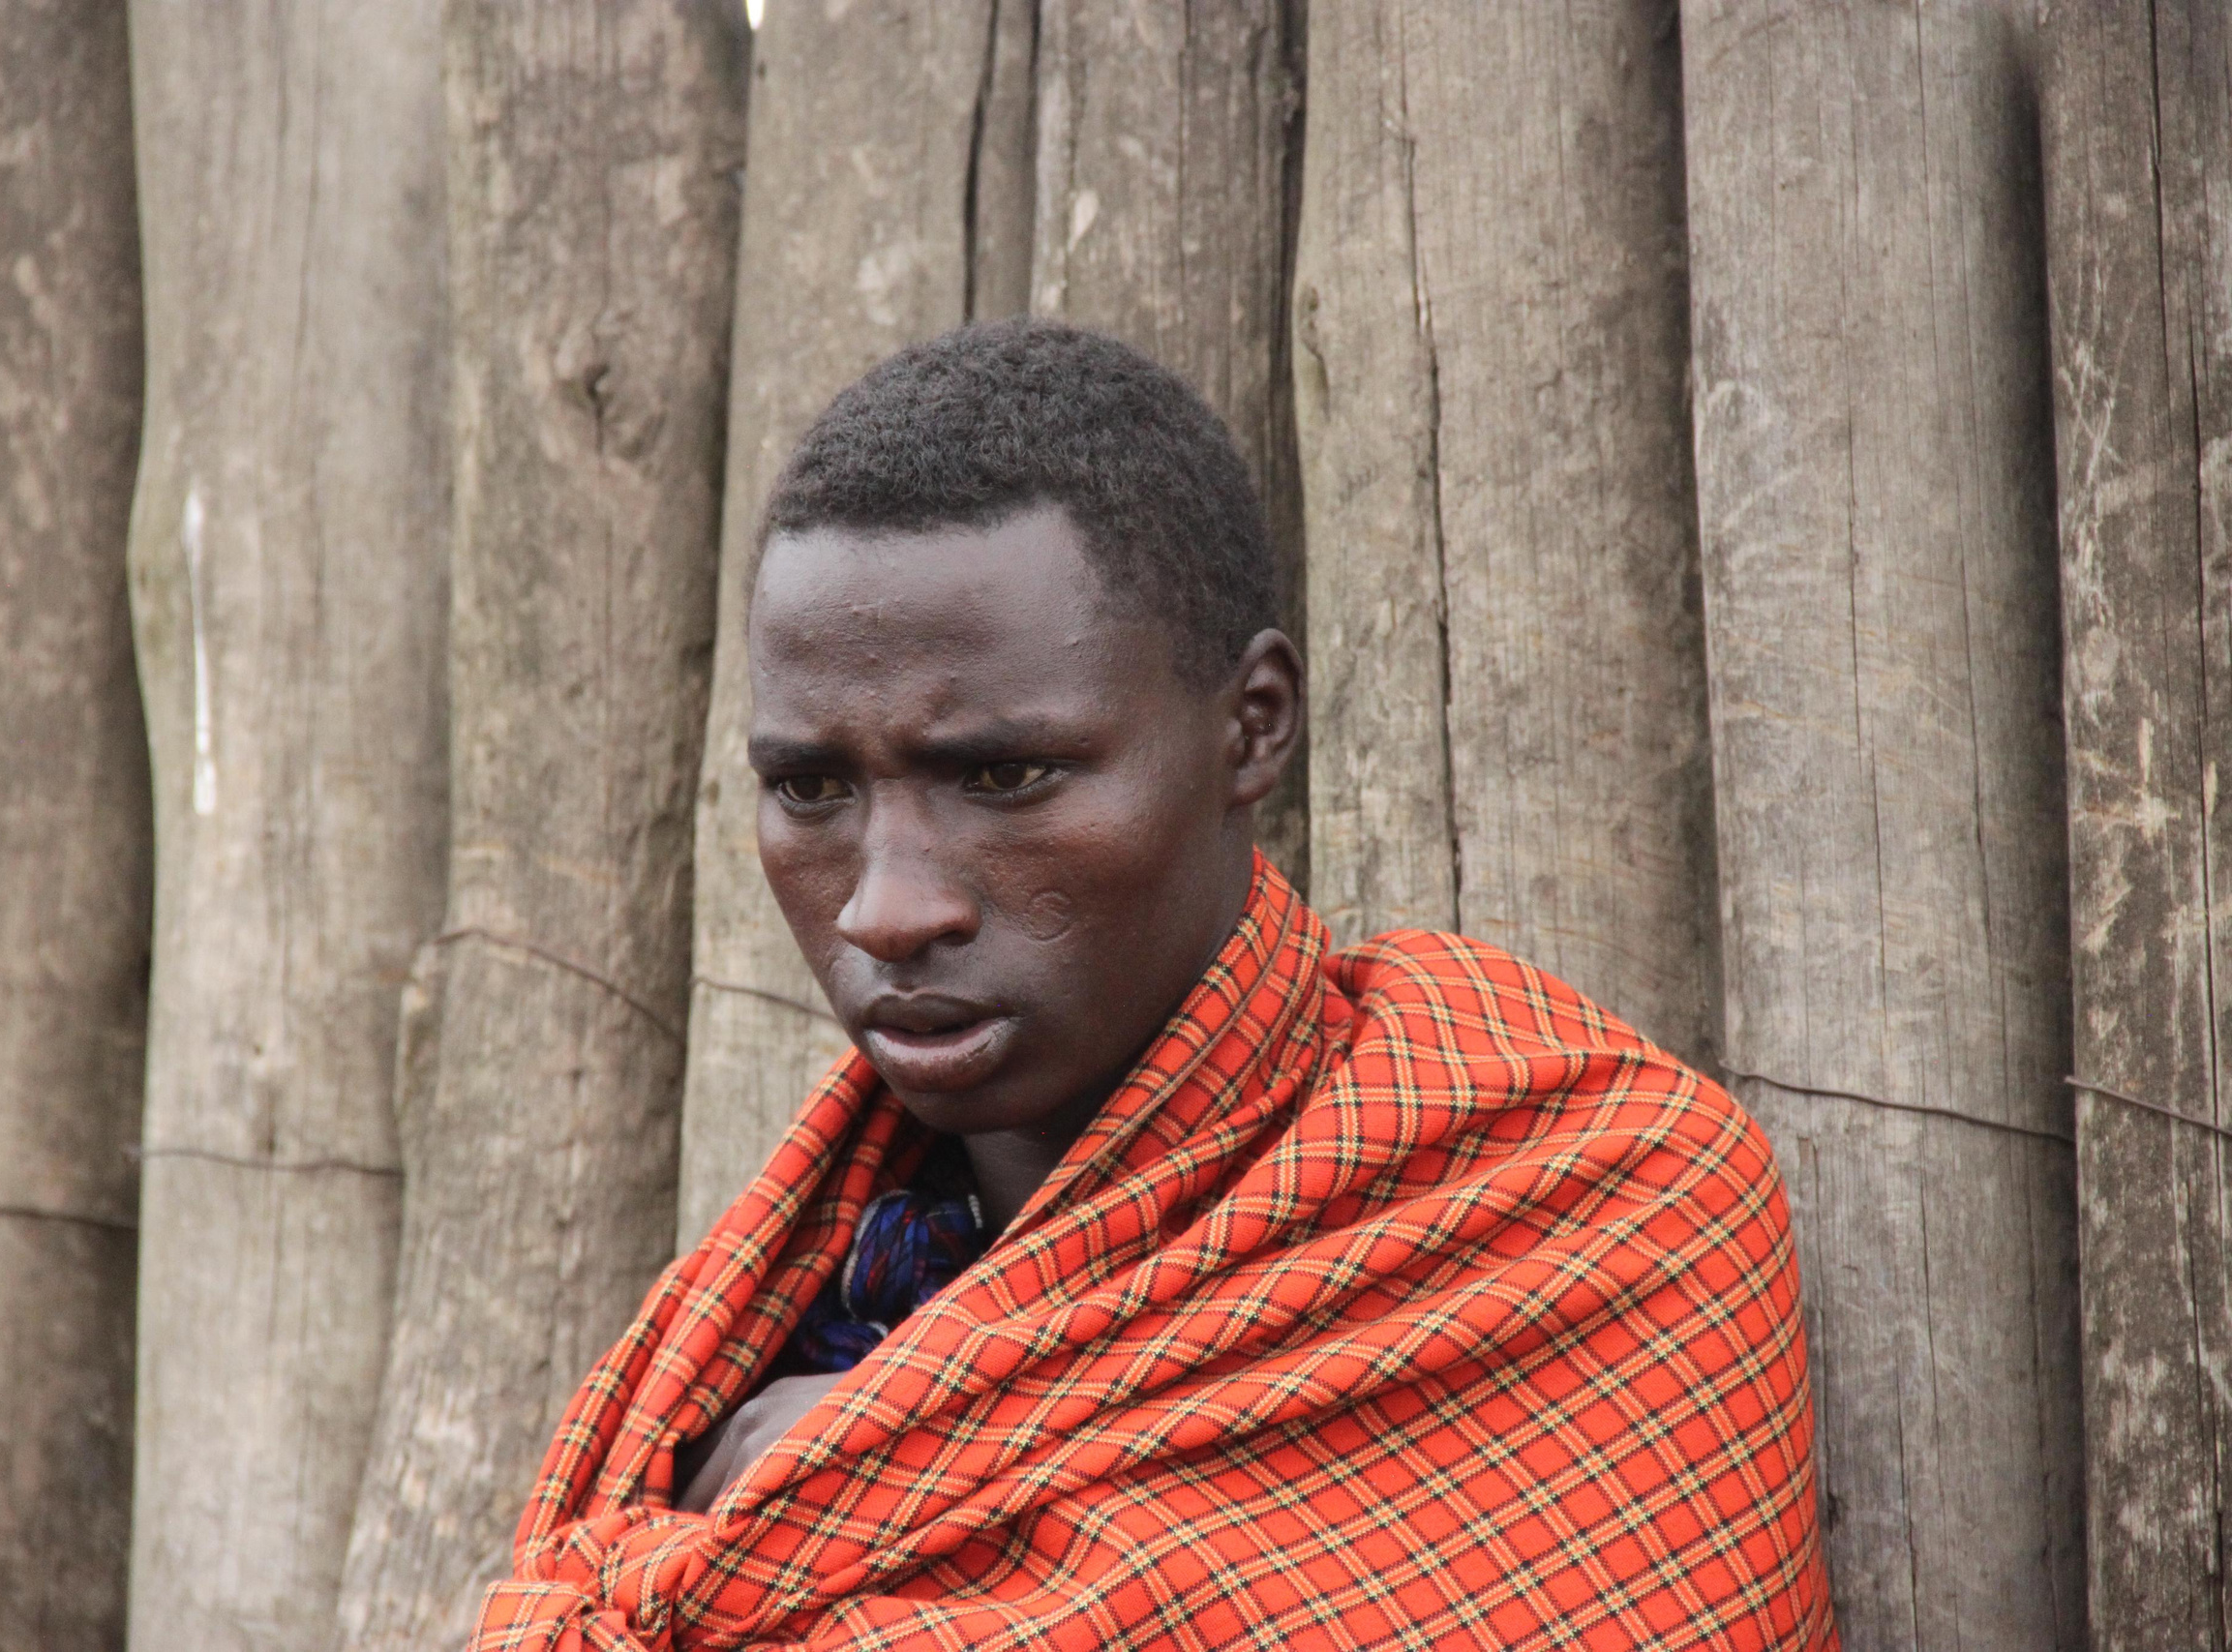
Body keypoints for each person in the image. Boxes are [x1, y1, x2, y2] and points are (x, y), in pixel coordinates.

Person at [468, 319, 1837, 1650]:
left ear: (1253, 727)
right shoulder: (750, 1331)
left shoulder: (1588, 1211)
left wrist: (894, 1455)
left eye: (1004, 774)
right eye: (811, 789)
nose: (885, 908)